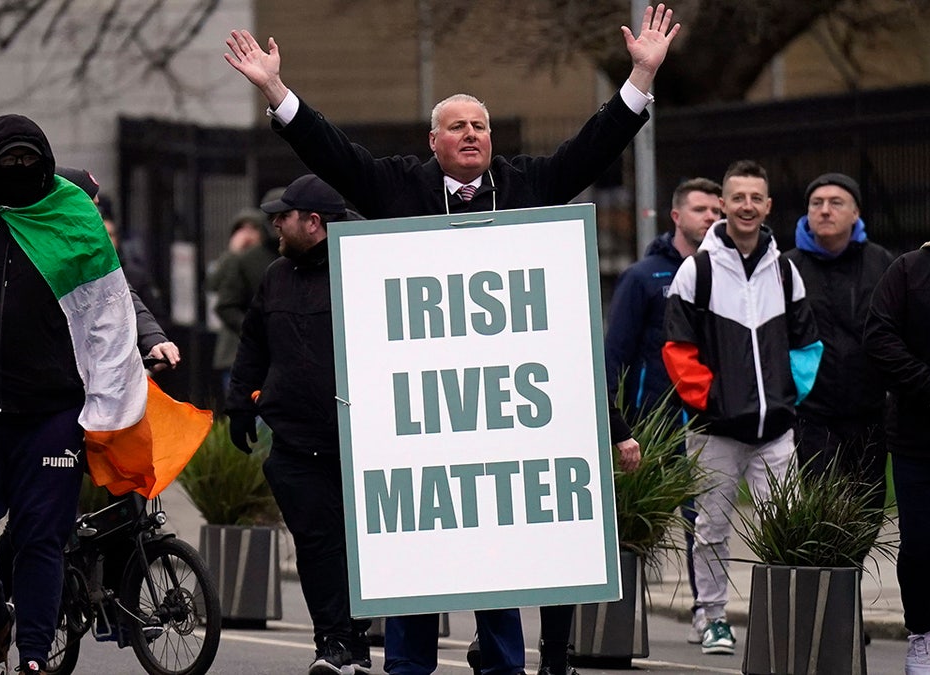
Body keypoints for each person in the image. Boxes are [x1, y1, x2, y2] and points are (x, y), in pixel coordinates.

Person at [226, 5, 677, 675]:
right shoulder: (396, 187)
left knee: (493, 552)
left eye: (480, 125)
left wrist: (640, 75)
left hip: (496, 417)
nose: (471, 134)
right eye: (457, 125)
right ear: (433, 141)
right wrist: (275, 91)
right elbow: (331, 153)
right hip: (416, 420)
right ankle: (408, 663)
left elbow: (593, 146)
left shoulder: (525, 187)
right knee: (415, 554)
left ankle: (502, 663)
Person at [0, 114, 179, 675]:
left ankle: (36, 658)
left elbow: (111, 313)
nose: (19, 168)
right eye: (8, 159)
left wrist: (125, 383)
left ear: (45, 162)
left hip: (52, 414)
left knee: (42, 538)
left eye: (29, 159)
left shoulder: (76, 226)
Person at [662, 160, 823, 656]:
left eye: (756, 197)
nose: (747, 206)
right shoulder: (699, 270)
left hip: (775, 431)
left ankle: (783, 615)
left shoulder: (785, 268)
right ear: (724, 205)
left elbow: (806, 343)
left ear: (768, 205)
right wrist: (710, 402)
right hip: (714, 432)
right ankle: (712, 618)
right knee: (710, 528)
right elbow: (677, 349)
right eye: (738, 197)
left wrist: (785, 398)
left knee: (785, 523)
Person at [226, 174, 372, 675]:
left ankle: (355, 635)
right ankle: (332, 642)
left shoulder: (364, 271)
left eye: (283, 216)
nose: (274, 223)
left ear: (314, 223)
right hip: (294, 442)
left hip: (358, 440)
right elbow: (252, 344)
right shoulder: (276, 275)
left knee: (357, 544)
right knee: (316, 543)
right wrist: (239, 404)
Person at [603, 176, 720, 644]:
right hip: (650, 426)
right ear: (676, 216)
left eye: (717, 211)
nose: (710, 218)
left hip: (707, 423)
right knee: (631, 526)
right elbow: (615, 356)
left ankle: (705, 614)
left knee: (705, 521)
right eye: (700, 210)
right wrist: (617, 423)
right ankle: (612, 622)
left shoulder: (726, 274)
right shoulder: (644, 277)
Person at [863, 189, 930, 675]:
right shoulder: (909, 270)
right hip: (920, 444)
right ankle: (922, 639)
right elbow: (878, 339)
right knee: (921, 548)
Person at [783, 173, 893, 514]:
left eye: (835, 203)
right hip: (811, 414)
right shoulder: (785, 266)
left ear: (855, 213)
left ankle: (851, 569)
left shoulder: (883, 263)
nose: (825, 211)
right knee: (820, 508)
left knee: (869, 506)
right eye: (817, 203)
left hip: (869, 411)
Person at [211, 205, 277, 405]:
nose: (247, 235)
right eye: (242, 229)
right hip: (233, 350)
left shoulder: (268, 259)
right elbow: (213, 285)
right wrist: (233, 253)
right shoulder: (234, 260)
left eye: (253, 228)